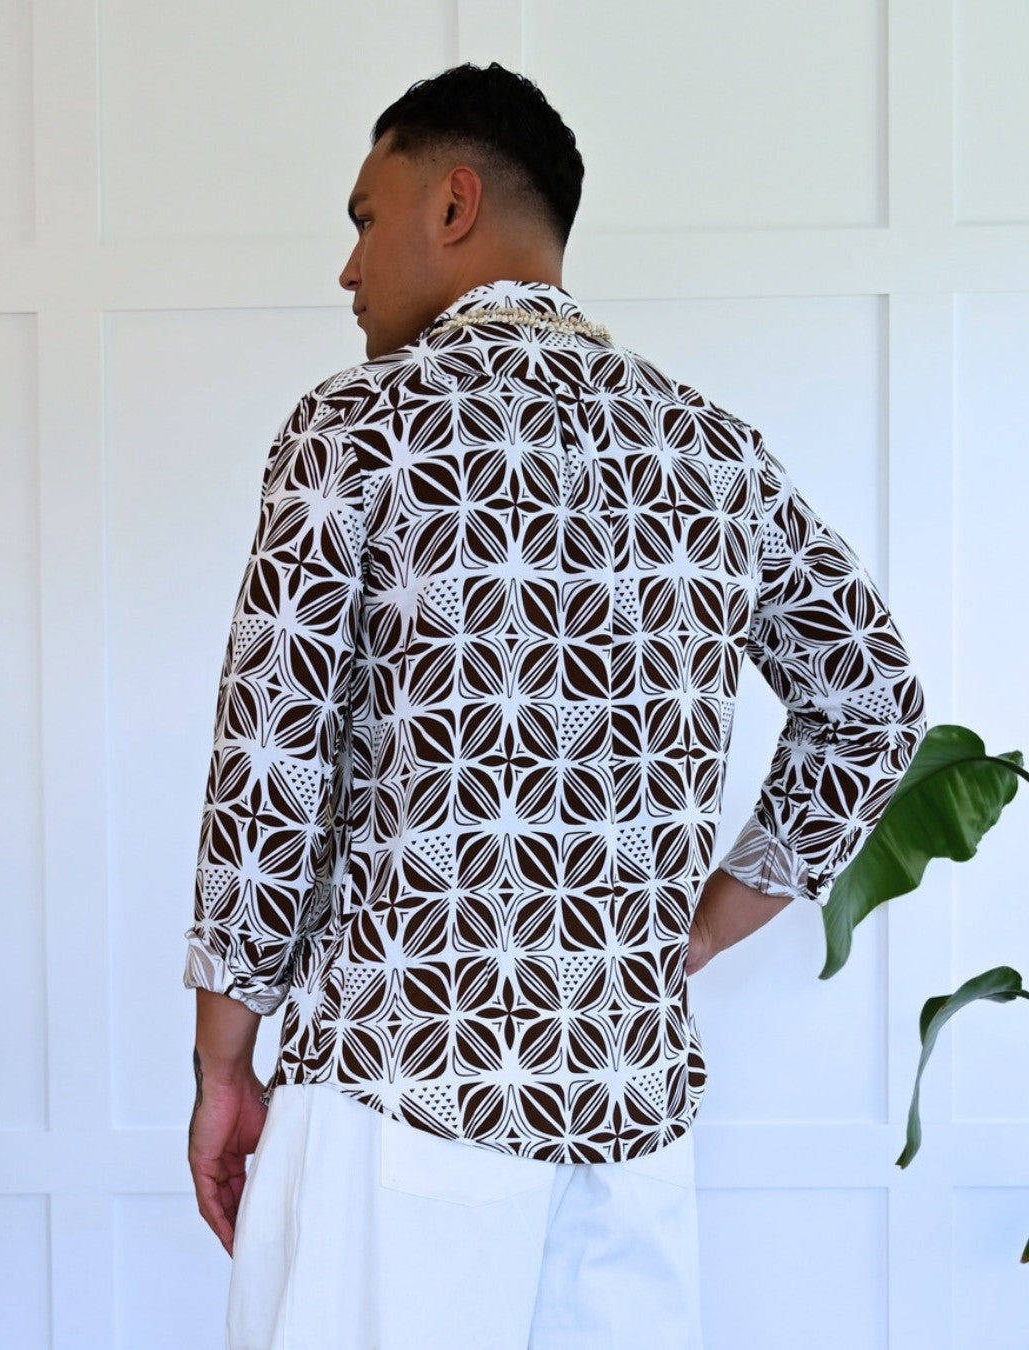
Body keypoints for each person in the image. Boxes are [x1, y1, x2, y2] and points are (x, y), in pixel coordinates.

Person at [185, 62, 926, 1350]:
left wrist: (222, 1067)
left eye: (365, 218)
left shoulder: (358, 430)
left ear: (453, 203)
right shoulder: (712, 451)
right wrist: (694, 933)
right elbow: (872, 697)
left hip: (399, 1092)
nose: (348, 270)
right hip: (630, 1124)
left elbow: (270, 764)